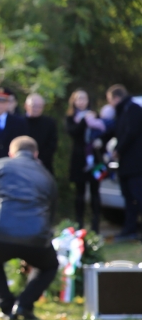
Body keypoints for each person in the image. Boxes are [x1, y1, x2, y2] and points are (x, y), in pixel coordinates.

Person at [0, 136, 58, 320]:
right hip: (36, 236)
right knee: (49, 266)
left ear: (11, 153)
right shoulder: (46, 174)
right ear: (36, 154)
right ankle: (24, 304)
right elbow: (51, 212)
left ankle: (6, 306)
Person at [106, 84, 142, 241]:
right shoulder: (123, 111)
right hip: (126, 165)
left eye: (110, 101)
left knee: (138, 196)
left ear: (116, 98)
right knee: (128, 198)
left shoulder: (133, 109)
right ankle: (130, 229)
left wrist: (118, 150)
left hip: (136, 165)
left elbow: (131, 132)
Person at [65, 89, 101, 233]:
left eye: (84, 98)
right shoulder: (71, 118)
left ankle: (95, 226)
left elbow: (104, 131)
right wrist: (85, 120)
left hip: (94, 158)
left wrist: (100, 140)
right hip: (79, 159)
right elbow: (73, 133)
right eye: (78, 98)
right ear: (73, 101)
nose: (81, 101)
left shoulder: (95, 115)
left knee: (95, 192)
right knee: (80, 193)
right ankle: (79, 225)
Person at [24, 93, 58, 174]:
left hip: (43, 165)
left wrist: (40, 159)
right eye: (34, 106)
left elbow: (52, 144)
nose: (36, 109)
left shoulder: (49, 123)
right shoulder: (18, 122)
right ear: (26, 106)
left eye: (39, 106)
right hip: (23, 165)